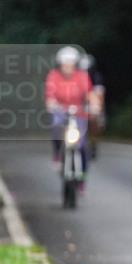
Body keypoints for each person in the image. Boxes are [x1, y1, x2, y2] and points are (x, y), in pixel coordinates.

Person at [45, 47, 98, 192]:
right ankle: (57, 155)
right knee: (56, 126)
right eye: (65, 64)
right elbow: (50, 95)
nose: (68, 67)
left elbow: (90, 94)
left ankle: (82, 178)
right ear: (60, 64)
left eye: (70, 63)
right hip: (61, 111)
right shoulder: (54, 76)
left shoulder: (82, 76)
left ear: (75, 64)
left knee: (82, 146)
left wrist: (94, 106)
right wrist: (52, 105)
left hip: (79, 113)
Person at [79, 54, 106, 159]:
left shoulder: (97, 78)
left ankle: (93, 144)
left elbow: (100, 95)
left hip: (93, 102)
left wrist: (98, 110)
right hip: (79, 103)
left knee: (95, 122)